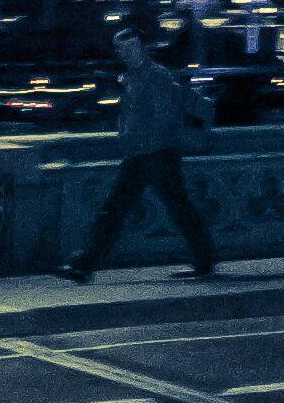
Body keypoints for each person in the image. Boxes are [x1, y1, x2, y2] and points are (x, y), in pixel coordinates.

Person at [61, 27, 223, 280]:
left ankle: (85, 264)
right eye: (122, 49)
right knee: (169, 207)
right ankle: (85, 264)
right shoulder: (135, 77)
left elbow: (164, 117)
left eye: (131, 47)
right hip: (146, 153)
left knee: (123, 208)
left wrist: (132, 136)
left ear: (141, 48)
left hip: (154, 153)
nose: (126, 53)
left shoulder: (154, 76)